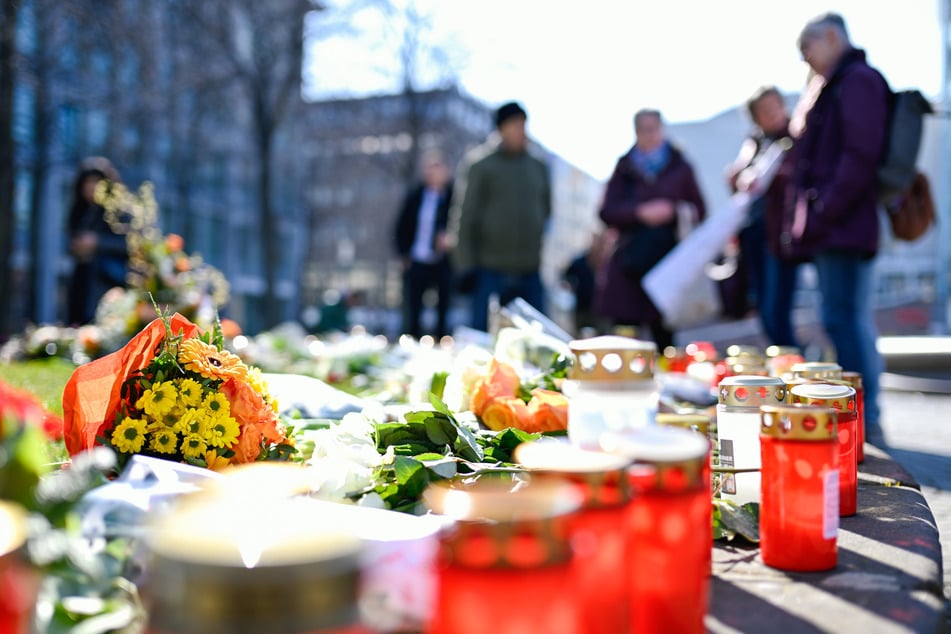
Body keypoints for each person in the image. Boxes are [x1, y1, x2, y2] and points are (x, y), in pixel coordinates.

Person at [782, 12, 889, 443]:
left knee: (843, 318)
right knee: (845, 317)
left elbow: (860, 154)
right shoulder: (841, 82)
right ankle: (865, 415)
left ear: (830, 37)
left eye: (808, 49)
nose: (807, 60)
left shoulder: (857, 80)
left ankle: (865, 418)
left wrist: (824, 208)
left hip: (843, 224)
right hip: (840, 223)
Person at [595, 108, 706, 351]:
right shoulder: (624, 167)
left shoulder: (680, 166)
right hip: (629, 262)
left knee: (664, 336)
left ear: (662, 129)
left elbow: (700, 210)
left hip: (666, 262)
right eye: (643, 129)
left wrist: (672, 211)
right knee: (623, 340)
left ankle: (669, 383)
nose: (649, 134)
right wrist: (638, 212)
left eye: (653, 128)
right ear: (635, 132)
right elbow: (606, 211)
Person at [449, 101, 552, 333]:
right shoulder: (481, 165)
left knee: (538, 338)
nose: (520, 130)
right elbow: (465, 216)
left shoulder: (538, 166)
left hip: (529, 269)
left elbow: (546, 209)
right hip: (490, 269)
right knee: (483, 335)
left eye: (523, 124)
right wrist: (465, 264)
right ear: (500, 128)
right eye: (514, 124)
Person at [726, 86, 799, 347]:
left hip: (781, 236)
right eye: (764, 111)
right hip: (754, 234)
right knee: (763, 310)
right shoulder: (755, 143)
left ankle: (792, 364)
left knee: (776, 309)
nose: (772, 114)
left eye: (775, 107)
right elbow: (737, 180)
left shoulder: (795, 138)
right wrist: (738, 177)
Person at [393, 149, 454, 339]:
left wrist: (450, 239)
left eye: (438, 168)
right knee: (413, 309)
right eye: (430, 169)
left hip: (443, 261)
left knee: (443, 309)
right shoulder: (416, 196)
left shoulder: (454, 197)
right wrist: (404, 255)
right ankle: (411, 343)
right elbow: (401, 227)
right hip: (417, 260)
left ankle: (441, 342)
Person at [66, 157, 127, 325]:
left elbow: (131, 244)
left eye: (96, 182)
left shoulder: (118, 212)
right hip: (82, 280)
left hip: (107, 284)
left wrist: (97, 242)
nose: (91, 188)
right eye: (87, 183)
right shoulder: (81, 212)